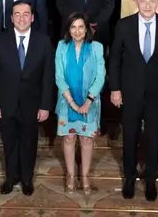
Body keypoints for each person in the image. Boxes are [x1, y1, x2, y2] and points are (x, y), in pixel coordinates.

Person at [109, 0, 158, 202]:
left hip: (157, 93)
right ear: (136, 2)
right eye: (143, 1)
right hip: (130, 92)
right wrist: (115, 88)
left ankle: (151, 180)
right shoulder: (123, 25)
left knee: (153, 137)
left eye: (152, 1)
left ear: (157, 2)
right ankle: (129, 178)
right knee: (129, 136)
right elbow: (114, 60)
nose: (148, 5)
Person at [0, 0, 54, 196]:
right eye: (17, 14)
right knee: (9, 143)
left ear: (32, 17)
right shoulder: (0, 40)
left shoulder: (43, 42)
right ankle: (11, 177)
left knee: (28, 143)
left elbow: (47, 77)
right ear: (11, 18)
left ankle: (26, 179)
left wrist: (45, 105)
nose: (22, 18)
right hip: (6, 103)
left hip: (32, 105)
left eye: (26, 14)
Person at [55, 13, 105, 195]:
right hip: (67, 101)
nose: (77, 31)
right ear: (68, 29)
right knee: (68, 138)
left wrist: (88, 101)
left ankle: (84, 176)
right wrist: (72, 103)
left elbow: (100, 76)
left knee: (86, 139)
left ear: (87, 29)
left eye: (80, 27)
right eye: (73, 27)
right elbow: (59, 77)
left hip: (89, 103)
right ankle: (70, 175)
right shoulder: (61, 47)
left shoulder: (97, 48)